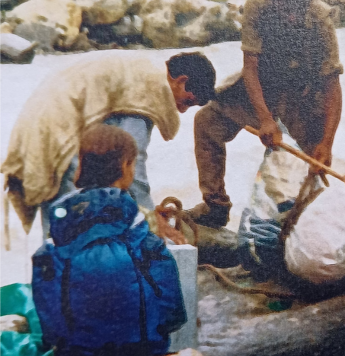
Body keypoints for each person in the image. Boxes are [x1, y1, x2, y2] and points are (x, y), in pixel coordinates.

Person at [1, 51, 216, 238]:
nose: (182, 110)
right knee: (73, 226)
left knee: (59, 230)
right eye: (187, 101)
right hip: (59, 138)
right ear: (180, 80)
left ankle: (56, 281)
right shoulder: (152, 87)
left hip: (40, 130)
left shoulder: (143, 68)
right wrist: (150, 218)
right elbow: (132, 159)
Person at [31, 125, 186, 356]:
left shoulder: (61, 225)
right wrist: (165, 331)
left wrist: (63, 348)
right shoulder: (136, 221)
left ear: (82, 164)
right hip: (140, 351)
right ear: (125, 167)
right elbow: (169, 295)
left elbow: (47, 294)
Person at [187, 0, 343, 228]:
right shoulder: (257, 7)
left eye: (295, 11)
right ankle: (215, 206)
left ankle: (305, 225)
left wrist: (327, 143)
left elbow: (332, 83)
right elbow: (250, 67)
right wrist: (265, 119)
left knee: (314, 162)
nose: (290, 17)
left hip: (303, 95)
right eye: (284, 10)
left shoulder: (321, 17)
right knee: (207, 122)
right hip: (261, 87)